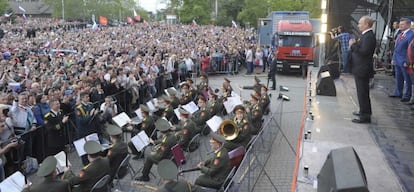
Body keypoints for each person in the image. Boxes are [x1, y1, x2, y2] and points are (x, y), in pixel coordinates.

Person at [348, 15, 377, 124]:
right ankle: (363, 111)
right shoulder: (365, 35)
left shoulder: (369, 36)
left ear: (366, 24)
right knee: (361, 92)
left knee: (363, 92)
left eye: (360, 23)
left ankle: (365, 116)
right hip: (359, 67)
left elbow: (364, 51)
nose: (358, 25)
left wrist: (353, 45)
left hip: (363, 68)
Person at [390, 18, 414, 102]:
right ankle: (398, 92)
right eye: (400, 24)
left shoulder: (411, 34)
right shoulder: (400, 34)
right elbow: (396, 47)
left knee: (407, 79)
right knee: (398, 77)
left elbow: (410, 48)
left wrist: (407, 61)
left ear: (408, 25)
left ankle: (407, 95)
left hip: (404, 60)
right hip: (397, 59)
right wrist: (393, 58)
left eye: (402, 24)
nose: (400, 25)